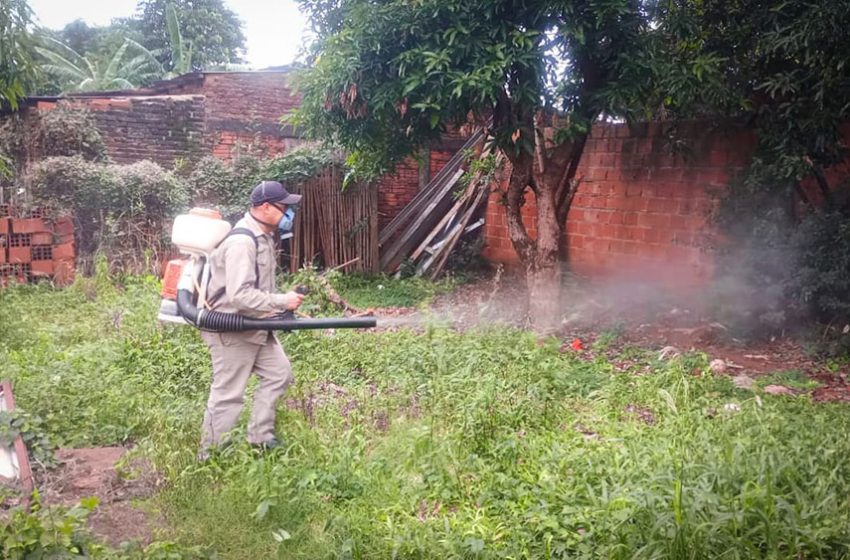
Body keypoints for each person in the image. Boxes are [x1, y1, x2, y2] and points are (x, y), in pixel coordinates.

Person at [198, 180, 305, 458]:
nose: (289, 213)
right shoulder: (242, 242)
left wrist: (276, 308)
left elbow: (256, 292)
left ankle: (260, 437)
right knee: (228, 394)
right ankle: (211, 456)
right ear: (265, 207)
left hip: (256, 325)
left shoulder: (263, 237)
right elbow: (239, 296)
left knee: (279, 374)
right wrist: (282, 300)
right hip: (232, 329)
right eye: (285, 207)